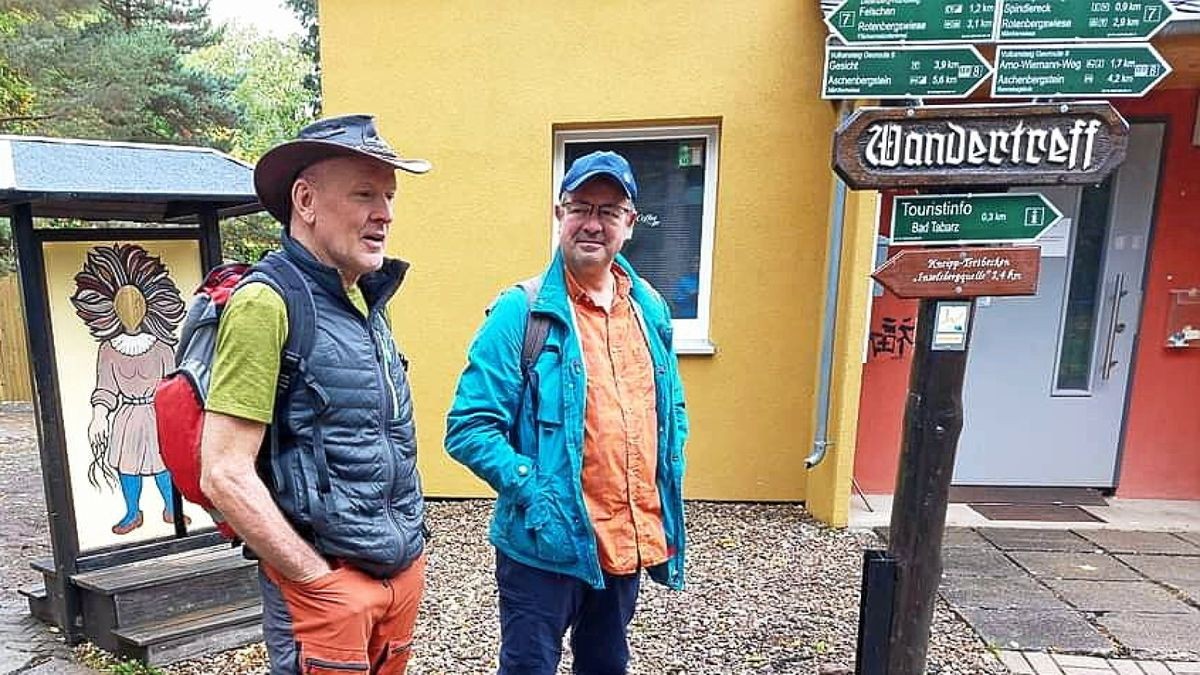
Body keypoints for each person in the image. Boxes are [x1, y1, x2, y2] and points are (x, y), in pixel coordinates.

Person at [199, 114, 431, 675]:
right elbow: (223, 472)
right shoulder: (267, 304)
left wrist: (410, 563)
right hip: (328, 592)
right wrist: (316, 582)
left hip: (394, 581)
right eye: (364, 194)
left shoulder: (365, 301)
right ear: (305, 200)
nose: (386, 213)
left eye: (390, 196)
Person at [445, 150, 689, 674]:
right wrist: (537, 494)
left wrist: (667, 473)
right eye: (580, 207)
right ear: (559, 215)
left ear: (630, 222)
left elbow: (672, 409)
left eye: (609, 210)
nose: (593, 223)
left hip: (624, 541)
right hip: (543, 548)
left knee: (605, 666)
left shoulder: (649, 307)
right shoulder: (522, 310)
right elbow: (468, 428)